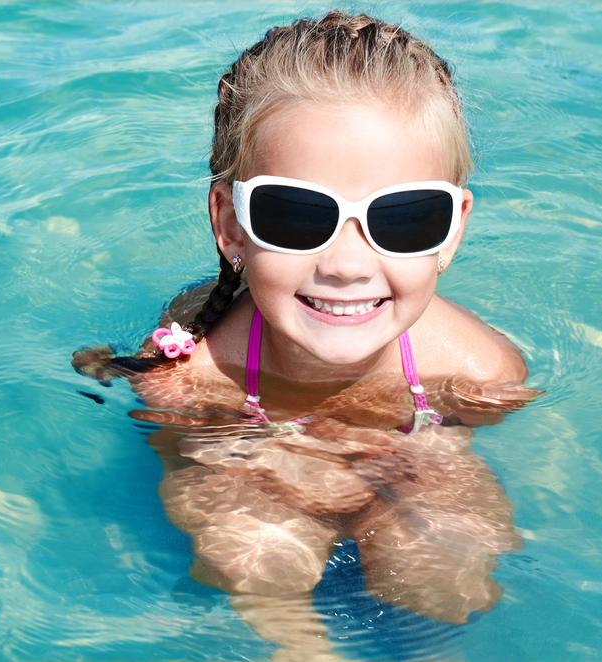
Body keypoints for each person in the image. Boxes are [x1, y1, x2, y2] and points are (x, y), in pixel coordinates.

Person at [75, 10, 537, 661]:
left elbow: (471, 437)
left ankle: (437, 648)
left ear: (452, 230)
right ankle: (300, 645)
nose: (347, 264)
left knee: (445, 550)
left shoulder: (480, 367)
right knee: (247, 541)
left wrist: (420, 454)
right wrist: (268, 449)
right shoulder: (190, 374)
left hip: (400, 458)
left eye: (404, 218)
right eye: (295, 215)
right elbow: (189, 469)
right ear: (231, 226)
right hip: (261, 466)